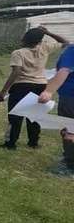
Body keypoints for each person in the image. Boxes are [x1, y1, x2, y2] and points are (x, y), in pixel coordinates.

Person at [0, 27, 71, 150]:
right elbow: (65, 42)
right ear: (39, 40)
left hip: (21, 86)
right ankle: (33, 142)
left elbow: (16, 72)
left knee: (15, 116)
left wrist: (4, 91)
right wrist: (47, 32)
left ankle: (11, 143)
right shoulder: (44, 48)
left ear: (24, 39)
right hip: (40, 86)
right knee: (35, 115)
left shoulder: (18, 53)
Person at [39, 37, 74, 176]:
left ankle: (70, 164)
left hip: (70, 97)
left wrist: (48, 91)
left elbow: (63, 71)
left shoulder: (72, 51)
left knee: (69, 130)